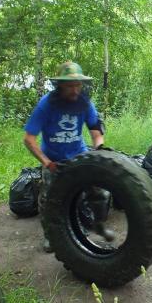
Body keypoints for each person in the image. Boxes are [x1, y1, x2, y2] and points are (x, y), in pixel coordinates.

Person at [23, 61, 107, 252]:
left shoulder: (85, 103)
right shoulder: (46, 105)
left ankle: (92, 225)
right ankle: (51, 237)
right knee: (50, 200)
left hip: (79, 156)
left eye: (78, 85)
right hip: (54, 160)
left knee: (97, 191)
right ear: (59, 85)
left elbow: (95, 130)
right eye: (70, 86)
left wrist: (99, 149)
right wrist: (47, 162)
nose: (75, 90)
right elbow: (28, 139)